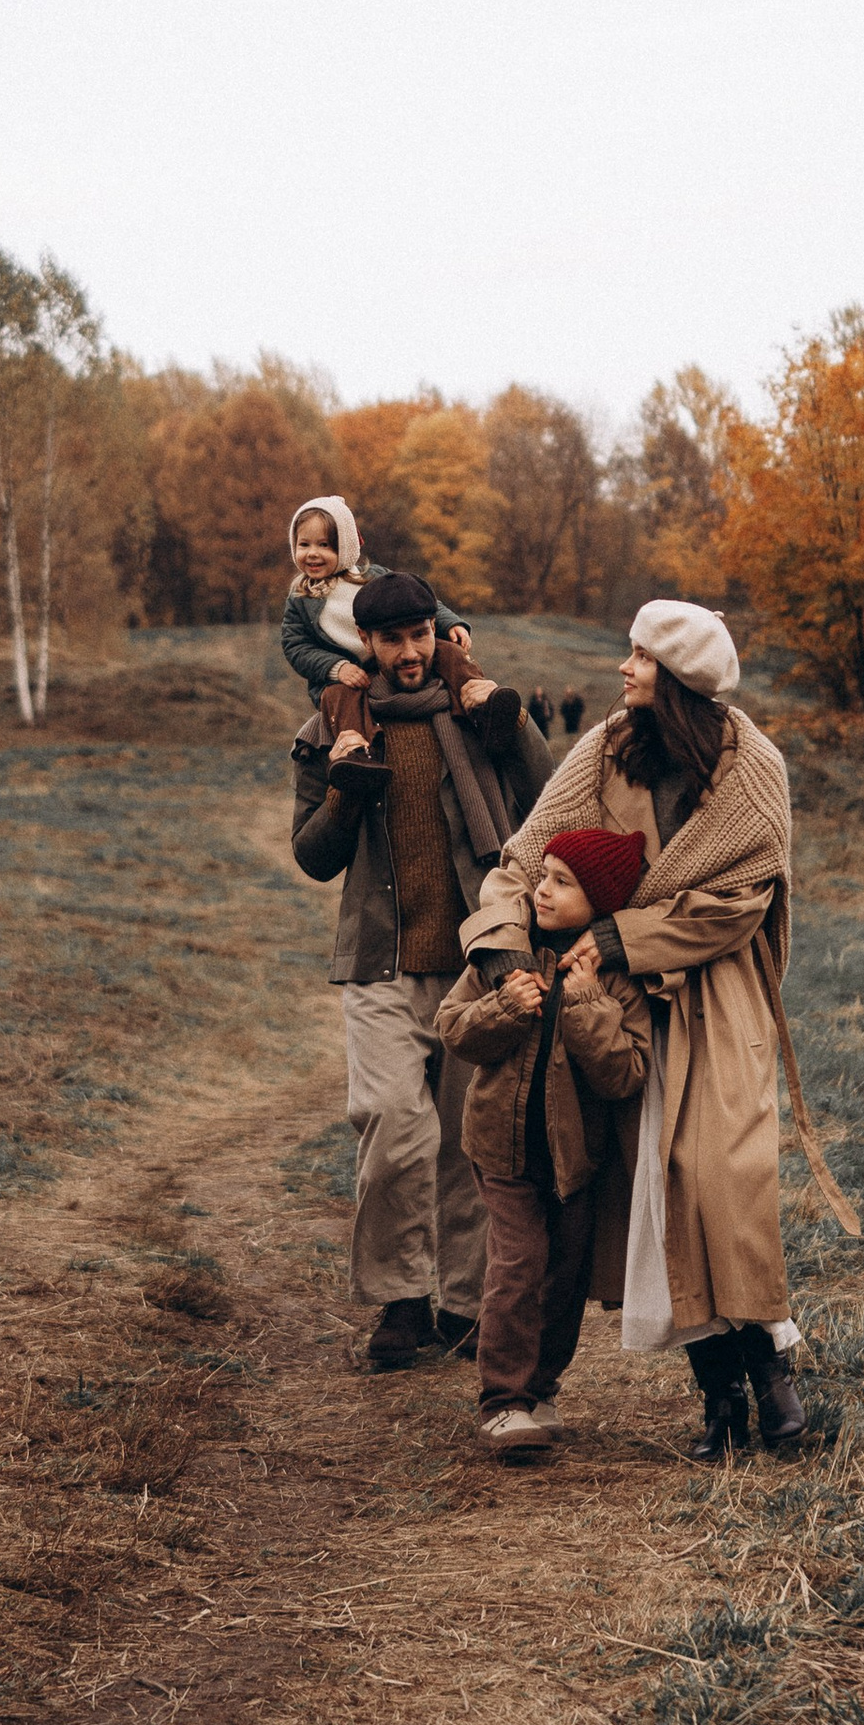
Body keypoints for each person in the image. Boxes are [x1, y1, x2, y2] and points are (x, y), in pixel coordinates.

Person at [464, 599, 855, 1459]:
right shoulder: (606, 747)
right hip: (617, 1004)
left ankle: (775, 1387)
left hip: (718, 997)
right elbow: (527, 854)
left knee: (722, 1178)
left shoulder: (754, 770)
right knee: (658, 1196)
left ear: (676, 676)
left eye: (639, 656)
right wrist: (498, 948)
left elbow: (739, 903)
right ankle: (718, 1401)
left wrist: (614, 936)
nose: (623, 668)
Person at [291, 571, 552, 1370]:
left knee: (469, 1146)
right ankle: (400, 1301)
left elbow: (547, 799)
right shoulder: (330, 729)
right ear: (363, 647)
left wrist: (506, 722)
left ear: (438, 633)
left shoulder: (481, 712)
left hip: (479, 963)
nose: (409, 653)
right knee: (393, 1128)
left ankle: (467, 1308)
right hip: (379, 963)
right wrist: (344, 789)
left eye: (420, 635)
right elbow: (311, 854)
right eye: (392, 639)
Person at [436, 832, 652, 1457]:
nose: (542, 890)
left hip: (575, 1159)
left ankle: (540, 1388)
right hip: (502, 1150)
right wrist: (504, 1007)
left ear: (601, 904)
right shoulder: (506, 953)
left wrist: (584, 1000)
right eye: (544, 875)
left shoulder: (615, 980)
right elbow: (452, 1027)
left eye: (562, 882)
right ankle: (502, 1403)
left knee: (564, 1275)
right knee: (518, 1263)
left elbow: (625, 1074)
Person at [281, 497, 471, 751]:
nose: (312, 553)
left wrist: (450, 624)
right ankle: (357, 751)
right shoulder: (300, 598)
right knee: (339, 697)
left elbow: (420, 601)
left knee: (450, 653)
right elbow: (296, 646)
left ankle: (477, 701)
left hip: (391, 658)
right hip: (347, 674)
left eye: (324, 545)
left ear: (346, 547)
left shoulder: (373, 578)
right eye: (304, 544)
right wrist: (335, 668)